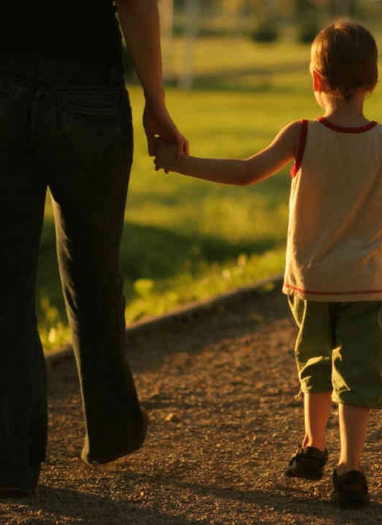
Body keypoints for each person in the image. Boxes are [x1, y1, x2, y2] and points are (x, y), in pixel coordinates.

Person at [155, 20, 382, 508]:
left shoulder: (300, 136)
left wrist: (181, 163)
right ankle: (351, 466)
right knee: (358, 372)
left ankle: (314, 444)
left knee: (315, 363)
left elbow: (245, 173)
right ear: (373, 83)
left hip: (310, 282)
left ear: (316, 81)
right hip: (368, 284)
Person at [0, 0, 188, 495]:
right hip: (90, 94)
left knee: (6, 282)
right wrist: (155, 99)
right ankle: (112, 430)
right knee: (94, 266)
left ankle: (11, 463)